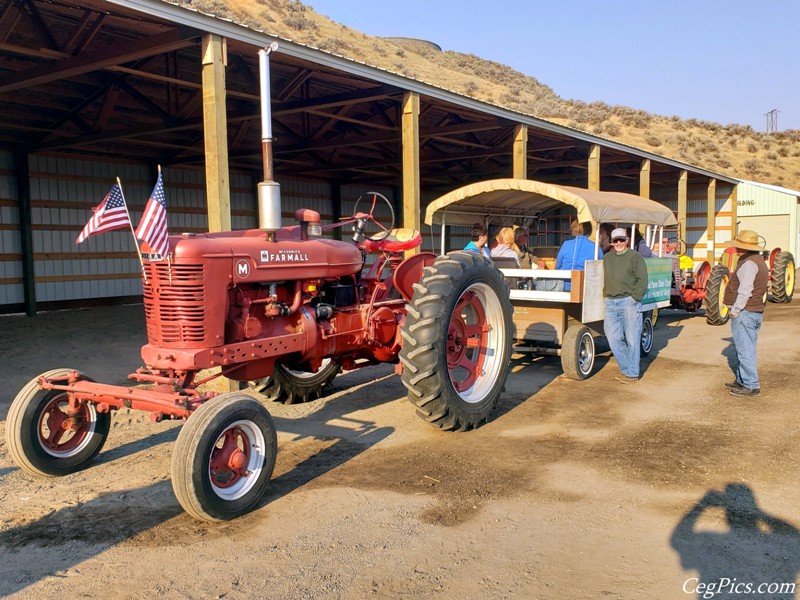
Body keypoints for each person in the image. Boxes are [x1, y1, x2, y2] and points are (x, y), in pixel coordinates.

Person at [722, 230, 769, 397]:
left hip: (745, 312)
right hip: (754, 311)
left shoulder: (748, 264)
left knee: (745, 349)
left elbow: (745, 290)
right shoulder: (759, 261)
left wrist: (735, 310)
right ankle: (743, 380)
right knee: (746, 347)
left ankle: (751, 385)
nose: (735, 249)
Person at [603, 227, 648, 384]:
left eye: (622, 240)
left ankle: (632, 374)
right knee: (613, 338)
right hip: (610, 302)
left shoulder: (635, 257)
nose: (619, 243)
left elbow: (642, 280)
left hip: (628, 302)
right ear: (612, 242)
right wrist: (605, 296)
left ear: (627, 240)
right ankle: (626, 369)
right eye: (616, 241)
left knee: (632, 338)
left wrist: (634, 298)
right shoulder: (607, 258)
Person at [555, 220, 602, 290]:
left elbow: (557, 266)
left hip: (564, 286)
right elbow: (601, 266)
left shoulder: (566, 244)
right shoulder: (595, 247)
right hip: (585, 288)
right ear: (589, 230)